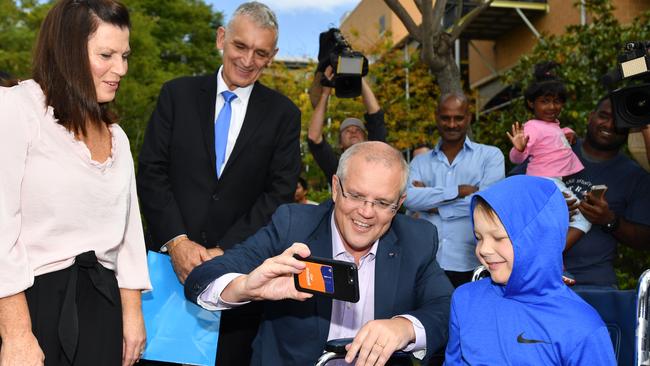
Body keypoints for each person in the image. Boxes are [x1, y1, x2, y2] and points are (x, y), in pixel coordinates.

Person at [185, 141, 454, 366]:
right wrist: (245, 287)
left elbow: (447, 307)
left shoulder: (417, 239)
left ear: (400, 203)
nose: (367, 212)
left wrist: (404, 327)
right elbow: (203, 277)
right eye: (356, 196)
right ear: (336, 189)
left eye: (383, 203)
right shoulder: (293, 226)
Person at [136, 2, 301, 364]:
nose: (248, 60)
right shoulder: (176, 95)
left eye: (260, 53)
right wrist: (177, 242)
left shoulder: (284, 115)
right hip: (166, 267)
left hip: (237, 280)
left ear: (271, 57)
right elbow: (151, 171)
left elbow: (279, 193)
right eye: (240, 47)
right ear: (221, 39)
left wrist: (228, 252)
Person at [0, 1, 151, 365]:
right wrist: (17, 333)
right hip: (31, 303)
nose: (121, 69)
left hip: (102, 305)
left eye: (125, 55)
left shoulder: (118, 137)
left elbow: (130, 235)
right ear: (68, 51)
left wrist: (132, 315)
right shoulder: (17, 109)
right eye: (106, 55)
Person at [444, 175, 616, 365]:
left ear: (538, 239)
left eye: (499, 238)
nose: (484, 249)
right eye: (479, 236)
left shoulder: (581, 325)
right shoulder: (465, 299)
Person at [404, 92, 504, 288]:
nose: (451, 124)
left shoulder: (490, 157)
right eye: (445, 118)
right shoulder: (419, 162)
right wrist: (458, 191)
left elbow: (486, 205)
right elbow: (408, 198)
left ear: (468, 118)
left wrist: (433, 204)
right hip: (428, 263)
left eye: (458, 118)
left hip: (473, 264)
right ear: (436, 117)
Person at [562, 96, 650, 288]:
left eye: (619, 121)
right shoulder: (558, 149)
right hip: (535, 273)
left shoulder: (636, 176)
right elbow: (511, 192)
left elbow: (644, 240)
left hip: (594, 283)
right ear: (590, 117)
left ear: (629, 126)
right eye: (604, 116)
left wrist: (610, 220)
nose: (609, 125)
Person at [507, 62, 590, 248]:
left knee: (552, 223)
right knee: (583, 218)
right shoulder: (532, 127)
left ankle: (546, 254)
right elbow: (517, 158)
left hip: (551, 182)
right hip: (545, 182)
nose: (552, 106)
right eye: (545, 101)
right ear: (531, 103)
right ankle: (549, 255)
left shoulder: (553, 125)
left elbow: (556, 134)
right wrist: (519, 149)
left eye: (557, 101)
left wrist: (570, 133)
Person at [307, 66, 387, 183]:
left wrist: (359, 77)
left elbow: (376, 116)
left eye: (358, 130)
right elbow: (314, 137)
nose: (353, 132)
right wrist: (325, 93)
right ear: (340, 144)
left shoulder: (377, 155)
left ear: (366, 139)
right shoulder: (337, 168)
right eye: (347, 131)